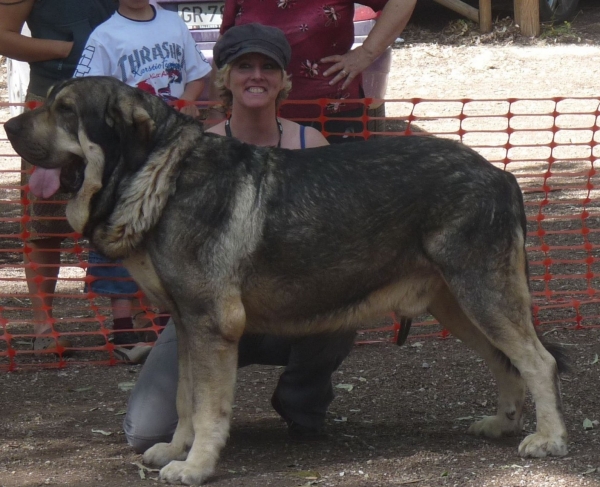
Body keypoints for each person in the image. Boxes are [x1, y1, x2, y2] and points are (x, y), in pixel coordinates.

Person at [124, 24, 354, 452]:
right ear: (224, 78)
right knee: (145, 434)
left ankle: (301, 403)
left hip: (289, 305)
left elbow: (333, 241)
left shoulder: (311, 143)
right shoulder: (194, 150)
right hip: (205, 312)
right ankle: (199, 420)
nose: (257, 76)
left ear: (284, 79)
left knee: (343, 303)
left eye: (269, 67)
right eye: (244, 65)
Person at [73, 0, 212, 363]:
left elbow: (197, 74)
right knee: (119, 226)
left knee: (173, 228)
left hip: (173, 143)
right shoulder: (104, 35)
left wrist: (189, 100)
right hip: (126, 151)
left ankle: (170, 323)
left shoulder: (174, 24)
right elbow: (84, 90)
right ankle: (124, 327)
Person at [0, 0, 117, 352]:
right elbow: (3, 37)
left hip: (112, 101)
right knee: (44, 219)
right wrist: (74, 49)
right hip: (49, 106)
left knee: (123, 210)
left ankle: (136, 321)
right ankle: (43, 327)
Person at [220, 0, 416, 142]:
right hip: (255, 121)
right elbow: (225, 46)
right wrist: (215, 109)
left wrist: (366, 53)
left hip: (332, 114)